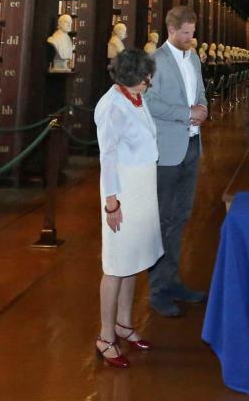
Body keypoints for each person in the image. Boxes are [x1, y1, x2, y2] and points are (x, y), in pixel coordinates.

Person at [94, 49, 163, 368]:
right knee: (116, 264)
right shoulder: (112, 106)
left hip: (142, 188)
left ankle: (124, 322)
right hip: (122, 192)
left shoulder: (135, 96)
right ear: (131, 77)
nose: (149, 82)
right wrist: (112, 203)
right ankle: (106, 336)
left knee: (135, 259)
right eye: (145, 77)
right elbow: (107, 156)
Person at [146, 5, 208, 317]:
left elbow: (200, 93)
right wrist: (186, 114)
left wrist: (203, 109)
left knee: (181, 217)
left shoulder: (193, 57)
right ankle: (158, 288)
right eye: (185, 34)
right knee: (162, 220)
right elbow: (148, 101)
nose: (190, 38)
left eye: (192, 33)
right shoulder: (155, 61)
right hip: (167, 151)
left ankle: (173, 280)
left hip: (192, 145)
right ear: (171, 30)